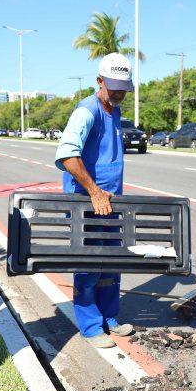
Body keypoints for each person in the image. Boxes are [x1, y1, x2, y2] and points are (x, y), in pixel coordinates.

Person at [54, 53, 136, 348]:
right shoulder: (87, 110)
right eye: (113, 86)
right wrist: (94, 191)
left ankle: (109, 319)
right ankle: (90, 326)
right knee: (89, 265)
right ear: (99, 81)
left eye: (124, 87)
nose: (119, 93)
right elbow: (66, 155)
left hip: (111, 204)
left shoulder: (113, 110)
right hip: (86, 203)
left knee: (111, 263)